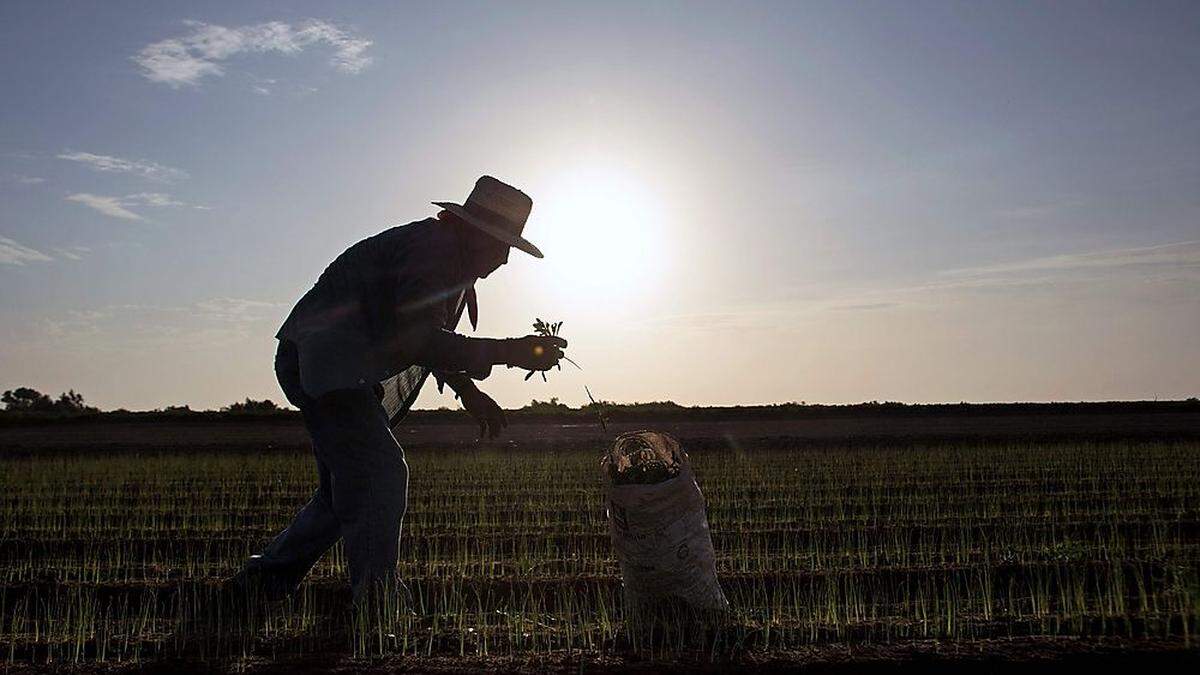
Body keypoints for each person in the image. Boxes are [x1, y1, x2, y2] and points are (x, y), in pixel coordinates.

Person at [231, 176, 568, 604]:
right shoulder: (434, 252)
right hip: (329, 361)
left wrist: (469, 391)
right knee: (380, 473)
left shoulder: (445, 256)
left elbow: (423, 338)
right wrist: (511, 352)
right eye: (501, 246)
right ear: (474, 233)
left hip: (331, 363)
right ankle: (376, 600)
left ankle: (262, 583)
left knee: (345, 493)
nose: (503, 261)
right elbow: (419, 341)